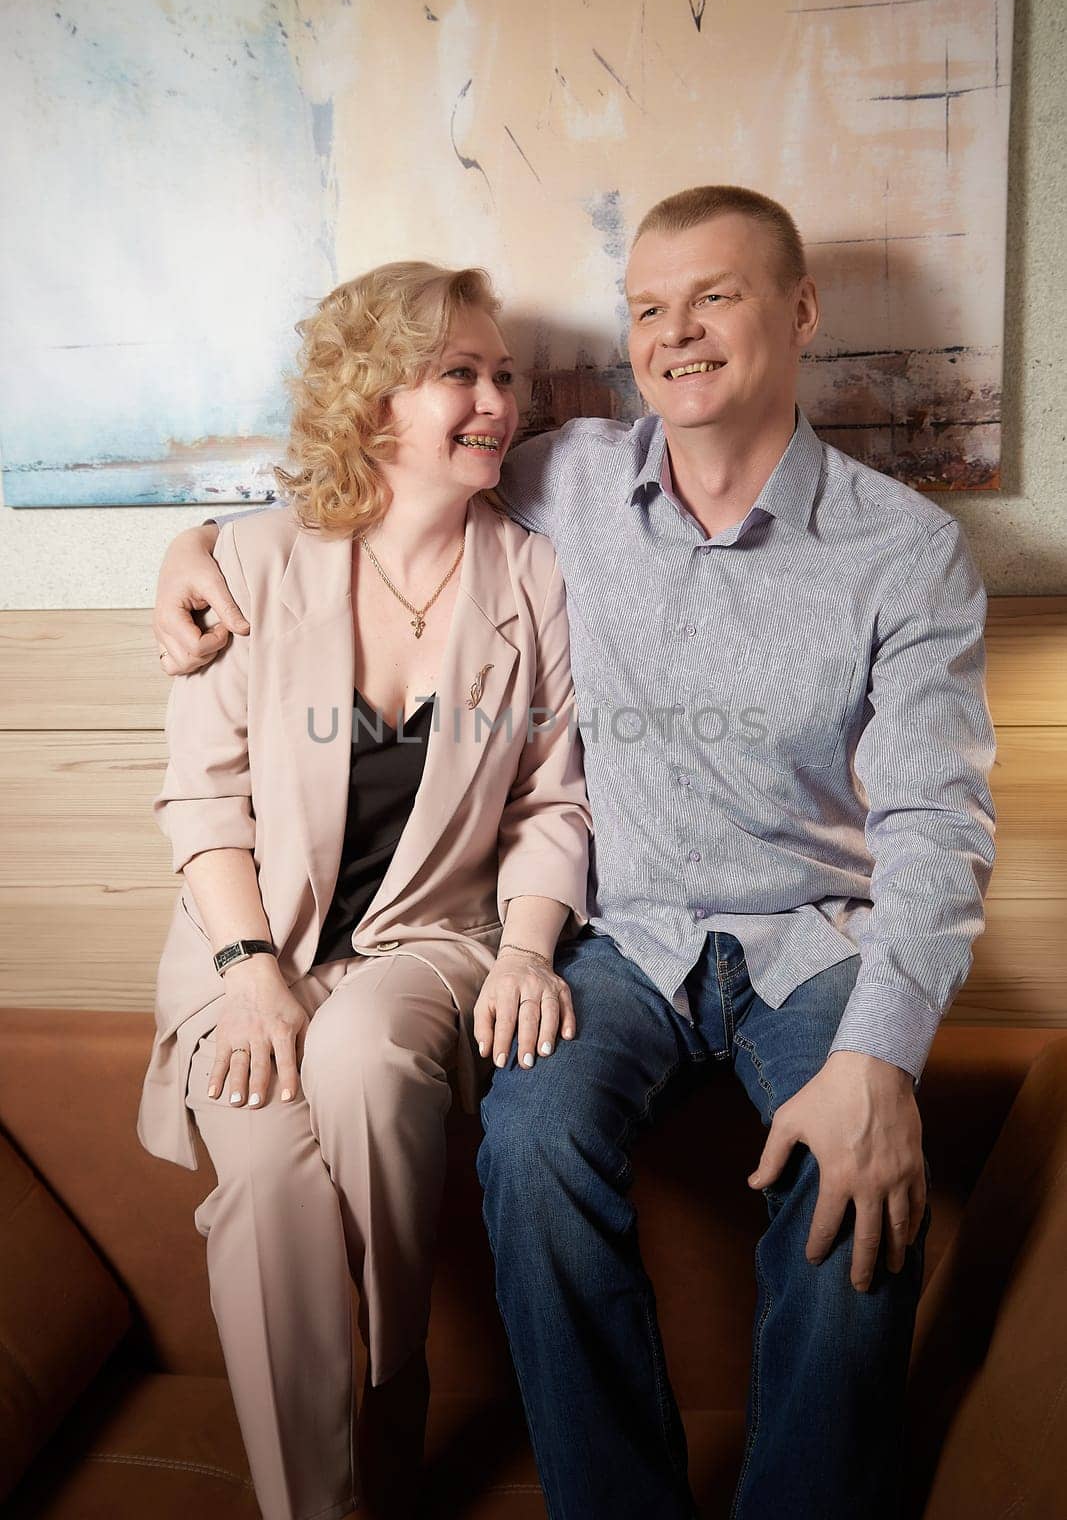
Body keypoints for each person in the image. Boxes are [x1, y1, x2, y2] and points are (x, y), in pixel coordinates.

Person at [153, 186, 996, 1520]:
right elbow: (367, 482)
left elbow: (935, 825)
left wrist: (880, 1056)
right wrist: (194, 549)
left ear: (797, 310)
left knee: (853, 1159)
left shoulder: (907, 551)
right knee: (529, 1133)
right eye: (646, 308)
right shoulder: (566, 479)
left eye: (710, 297)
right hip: (628, 937)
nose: (674, 334)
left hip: (817, 937)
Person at [137, 260, 592, 1520]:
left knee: (358, 1058)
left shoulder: (534, 577)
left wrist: (525, 951)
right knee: (271, 1196)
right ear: (372, 398)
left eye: (504, 374)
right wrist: (248, 975)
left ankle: (396, 1396)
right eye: (460, 372)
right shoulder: (247, 562)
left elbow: (554, 797)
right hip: (244, 948)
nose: (497, 398)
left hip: (428, 943)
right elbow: (202, 801)